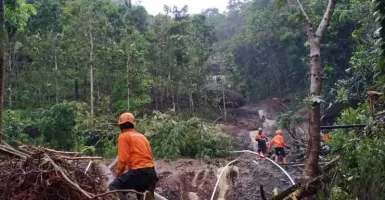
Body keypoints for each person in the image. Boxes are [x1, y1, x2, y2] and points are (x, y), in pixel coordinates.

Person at [109, 112, 158, 200]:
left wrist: (118, 174)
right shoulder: (142, 136)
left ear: (120, 126)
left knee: (114, 187)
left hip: (139, 173)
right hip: (151, 174)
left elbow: (123, 160)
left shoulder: (123, 137)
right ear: (133, 124)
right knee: (142, 195)